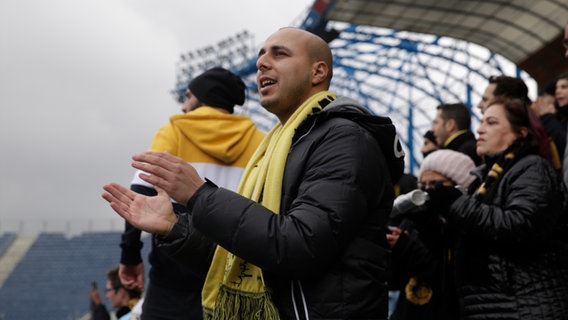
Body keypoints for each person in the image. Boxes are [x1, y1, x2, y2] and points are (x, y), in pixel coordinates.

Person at [103, 27, 405, 319]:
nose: (261, 63)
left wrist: (199, 195)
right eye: (261, 55)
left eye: (280, 53)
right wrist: (174, 227)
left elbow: (298, 247)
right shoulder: (273, 146)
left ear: (318, 72)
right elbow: (248, 257)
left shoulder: (345, 140)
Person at [118, 67, 265, 320]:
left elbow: (139, 196)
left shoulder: (175, 130)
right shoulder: (260, 141)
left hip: (171, 280)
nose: (184, 107)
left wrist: (130, 256)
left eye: (188, 97)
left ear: (204, 97)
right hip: (233, 278)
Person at [429, 97, 568, 319]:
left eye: (492, 123)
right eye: (482, 122)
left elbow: (522, 225)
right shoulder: (484, 180)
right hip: (493, 307)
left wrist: (457, 204)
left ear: (521, 133)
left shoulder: (532, 168)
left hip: (524, 306)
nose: (480, 130)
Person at [387, 149, 476, 320]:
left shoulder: (465, 224)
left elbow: (445, 273)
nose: (428, 191)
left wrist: (405, 247)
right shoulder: (414, 218)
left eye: (435, 183)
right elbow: (394, 279)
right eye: (423, 185)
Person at [534, 73, 568, 187]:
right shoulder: (560, 118)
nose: (558, 91)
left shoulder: (552, 119)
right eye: (557, 88)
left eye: (564, 87)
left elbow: (564, 144)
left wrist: (547, 117)